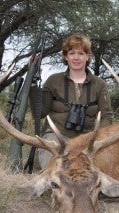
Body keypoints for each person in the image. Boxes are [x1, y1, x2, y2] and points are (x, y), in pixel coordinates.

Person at [30, 34, 113, 170]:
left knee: (88, 173)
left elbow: (107, 116)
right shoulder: (53, 81)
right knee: (56, 172)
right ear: (65, 56)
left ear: (87, 57)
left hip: (86, 141)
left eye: (81, 53)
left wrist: (95, 138)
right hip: (56, 137)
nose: (76, 57)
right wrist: (32, 85)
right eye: (71, 53)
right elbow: (40, 113)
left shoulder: (99, 84)